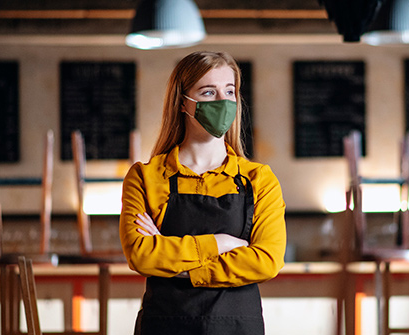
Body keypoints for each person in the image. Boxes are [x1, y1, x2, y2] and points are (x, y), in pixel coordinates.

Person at [119, 50, 286, 335]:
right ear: (182, 103)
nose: (223, 102)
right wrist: (219, 243)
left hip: (237, 328)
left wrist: (178, 263)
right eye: (208, 92)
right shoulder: (145, 177)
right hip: (165, 327)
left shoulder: (260, 180)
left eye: (229, 91)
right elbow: (141, 255)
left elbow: (267, 261)